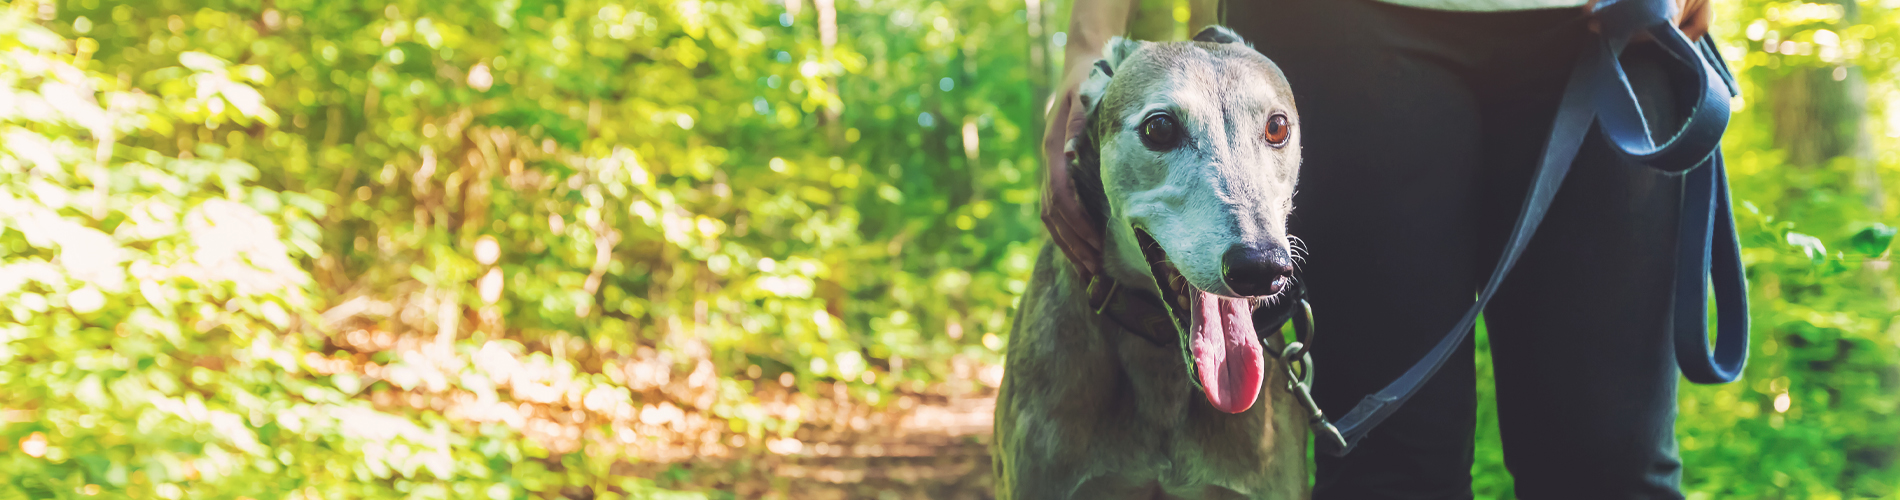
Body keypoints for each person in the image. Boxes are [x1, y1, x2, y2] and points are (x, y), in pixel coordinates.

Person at [1043, 0, 1716, 498]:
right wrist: (1088, 43)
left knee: (1612, 468)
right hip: (1337, 26)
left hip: (1610, 24)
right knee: (1390, 466)